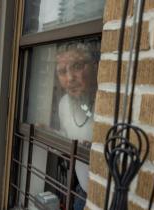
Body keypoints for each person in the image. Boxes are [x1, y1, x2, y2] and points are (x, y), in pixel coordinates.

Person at [55, 41, 99, 210]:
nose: (70, 78)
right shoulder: (64, 104)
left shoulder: (108, 105)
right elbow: (68, 139)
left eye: (77, 66)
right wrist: (52, 135)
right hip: (82, 192)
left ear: (96, 67)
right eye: (62, 71)